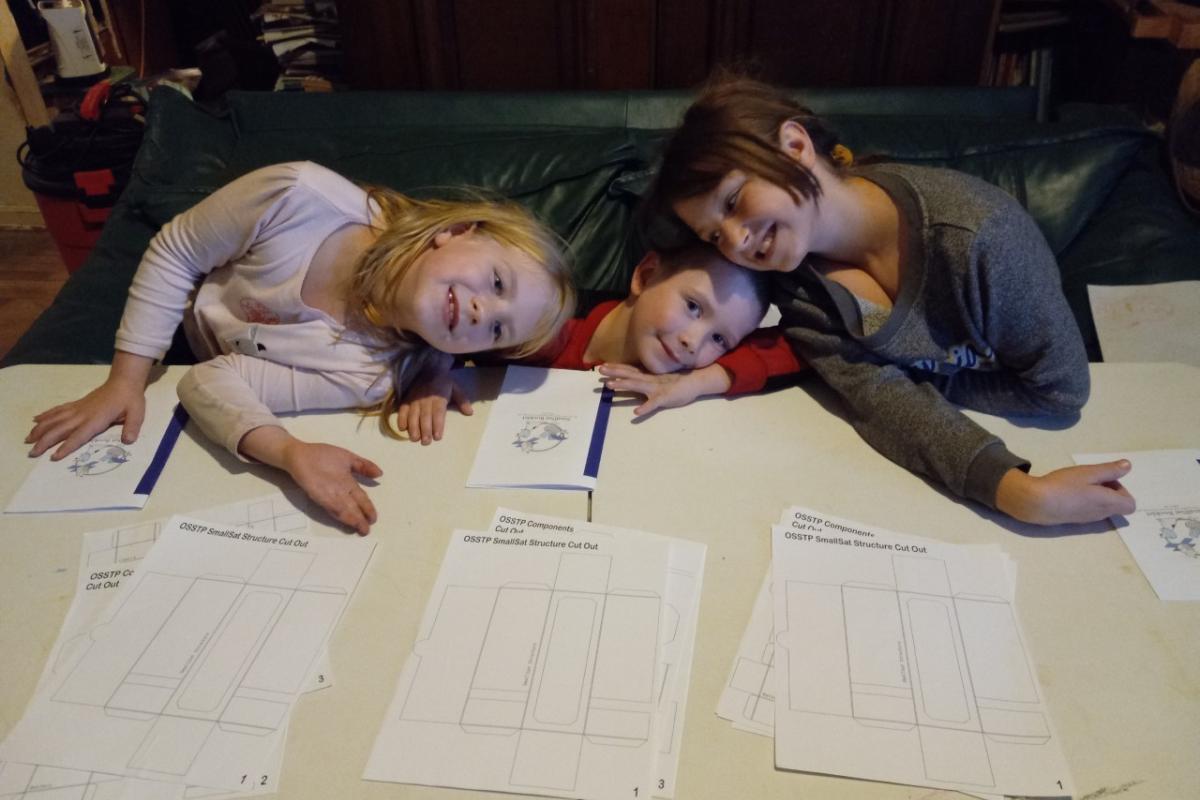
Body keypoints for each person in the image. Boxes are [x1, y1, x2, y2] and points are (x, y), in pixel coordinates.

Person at [649, 74, 1135, 526]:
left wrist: (925, 387)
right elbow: (879, 399)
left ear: (795, 146)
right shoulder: (795, 284)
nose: (734, 242)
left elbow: (1061, 391)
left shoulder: (979, 238)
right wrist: (1017, 491)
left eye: (733, 201)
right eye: (713, 236)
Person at [25, 161, 574, 534]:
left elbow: (209, 379)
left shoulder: (371, 374)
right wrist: (124, 379)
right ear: (454, 231)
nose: (484, 311)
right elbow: (175, 251)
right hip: (173, 288)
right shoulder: (300, 194)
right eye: (498, 282)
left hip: (214, 347)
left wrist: (289, 452)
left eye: (498, 331)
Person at [393, 243, 805, 444]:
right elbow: (457, 324)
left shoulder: (694, 366)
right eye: (694, 306)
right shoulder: (548, 328)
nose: (692, 342)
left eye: (720, 337)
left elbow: (802, 348)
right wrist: (435, 366)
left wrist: (698, 383)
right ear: (645, 275)